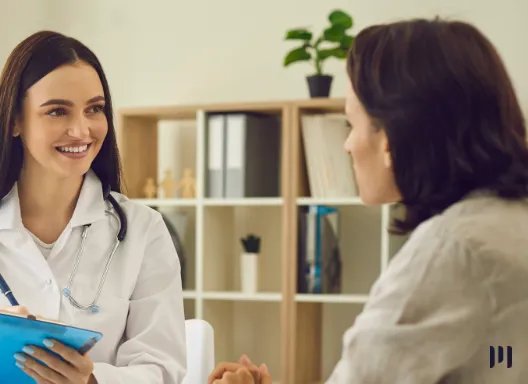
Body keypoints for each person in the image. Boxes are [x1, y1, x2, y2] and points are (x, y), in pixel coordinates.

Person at [209, 17, 528, 384]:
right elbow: (494, 362)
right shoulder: (508, 226)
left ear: (389, 138)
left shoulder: (450, 253)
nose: (347, 144)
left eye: (351, 124)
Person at [0, 31, 187, 384]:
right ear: (15, 120)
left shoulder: (143, 230)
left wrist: (91, 381)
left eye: (94, 108)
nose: (81, 130)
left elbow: (162, 367)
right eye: (57, 111)